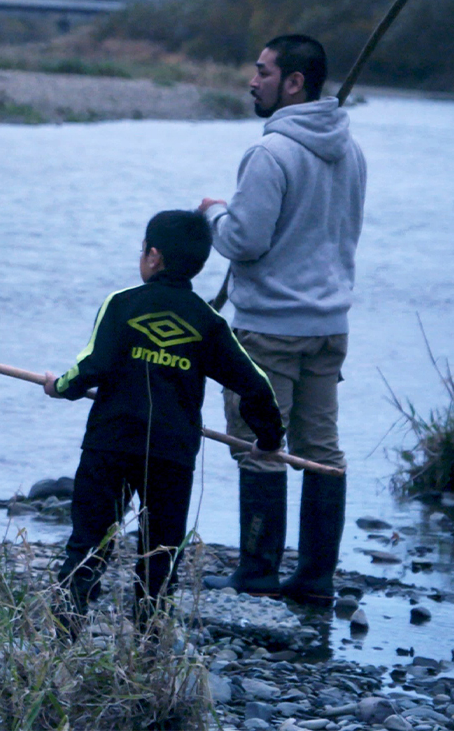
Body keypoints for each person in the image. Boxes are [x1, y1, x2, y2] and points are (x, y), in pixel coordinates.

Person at [43, 209, 284, 628]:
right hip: (172, 455)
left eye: (143, 250)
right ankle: (150, 648)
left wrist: (59, 387)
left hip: (110, 444)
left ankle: (65, 636)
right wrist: (268, 438)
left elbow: (91, 367)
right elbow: (256, 384)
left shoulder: (121, 304)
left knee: (88, 543)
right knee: (160, 554)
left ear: (153, 256)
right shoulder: (208, 323)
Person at [199, 34, 366, 606]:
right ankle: (316, 580)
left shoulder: (270, 154)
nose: (252, 80)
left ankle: (258, 574)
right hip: (330, 325)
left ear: (294, 83)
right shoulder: (352, 151)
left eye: (263, 72)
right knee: (322, 449)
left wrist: (214, 214)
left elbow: (245, 242)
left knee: (259, 444)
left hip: (270, 327)